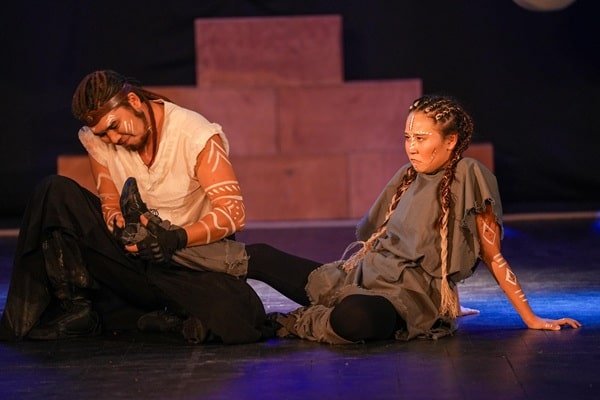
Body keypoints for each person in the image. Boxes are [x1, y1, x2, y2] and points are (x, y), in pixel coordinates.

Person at [244, 94, 581, 344]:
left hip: (404, 300)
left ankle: (293, 321)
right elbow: (387, 235)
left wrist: (531, 317)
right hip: (360, 277)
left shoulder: (470, 174)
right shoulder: (407, 176)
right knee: (258, 255)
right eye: (408, 138)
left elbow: (491, 255)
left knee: (355, 317)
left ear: (450, 141)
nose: (412, 147)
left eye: (421, 139)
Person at [0, 70, 269, 344]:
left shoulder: (194, 135)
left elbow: (233, 215)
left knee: (234, 313)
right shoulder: (100, 142)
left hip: (186, 262)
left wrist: (175, 238)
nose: (113, 138)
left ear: (133, 101)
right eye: (103, 134)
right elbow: (109, 200)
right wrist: (115, 219)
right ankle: (77, 310)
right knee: (54, 192)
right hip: (138, 260)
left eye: (114, 126)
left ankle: (166, 318)